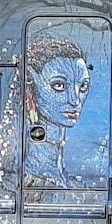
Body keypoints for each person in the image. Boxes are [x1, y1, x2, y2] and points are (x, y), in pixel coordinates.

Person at [24, 37, 90, 186]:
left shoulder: (71, 183)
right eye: (59, 85)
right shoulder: (20, 181)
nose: (75, 100)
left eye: (83, 87)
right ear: (31, 84)